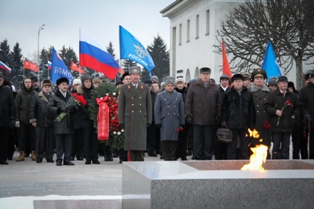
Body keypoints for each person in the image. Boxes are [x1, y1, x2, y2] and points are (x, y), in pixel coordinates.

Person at [185, 67, 222, 160]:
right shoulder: (194, 86)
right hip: (197, 118)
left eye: (207, 74)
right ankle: (197, 155)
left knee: (208, 139)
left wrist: (218, 116)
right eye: (203, 74)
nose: (205, 76)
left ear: (209, 75)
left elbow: (218, 103)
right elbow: (188, 101)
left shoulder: (215, 87)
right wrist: (188, 114)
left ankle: (207, 155)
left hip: (210, 118)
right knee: (197, 139)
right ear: (200, 75)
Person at [118, 66, 152, 161]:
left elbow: (148, 105)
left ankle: (140, 162)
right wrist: (121, 120)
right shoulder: (124, 88)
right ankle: (132, 163)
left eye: (137, 75)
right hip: (129, 119)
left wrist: (149, 119)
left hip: (141, 119)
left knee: (140, 143)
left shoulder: (144, 88)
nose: (135, 77)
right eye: (133, 75)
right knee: (131, 144)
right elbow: (121, 106)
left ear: (139, 76)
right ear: (130, 76)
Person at [221, 74, 255, 160]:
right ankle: (231, 162)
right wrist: (224, 121)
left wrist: (251, 123)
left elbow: (251, 110)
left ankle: (243, 161)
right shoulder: (228, 94)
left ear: (243, 83)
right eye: (236, 81)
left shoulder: (248, 94)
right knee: (231, 145)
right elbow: (224, 109)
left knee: (244, 145)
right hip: (232, 123)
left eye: (240, 81)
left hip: (244, 123)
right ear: (232, 83)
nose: (238, 83)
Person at [265, 76, 299, 159]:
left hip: (288, 125)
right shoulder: (272, 95)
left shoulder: (292, 95)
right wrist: (275, 111)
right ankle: (276, 164)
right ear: (278, 85)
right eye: (283, 83)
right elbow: (266, 106)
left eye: (286, 83)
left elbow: (298, 107)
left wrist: (294, 115)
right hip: (276, 125)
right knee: (276, 146)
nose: (285, 85)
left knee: (286, 146)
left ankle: (285, 164)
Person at [155, 76, 185, 161]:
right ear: (165, 86)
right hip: (164, 121)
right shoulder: (160, 96)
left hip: (175, 120)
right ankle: (166, 156)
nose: (170, 87)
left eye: (172, 85)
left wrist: (182, 122)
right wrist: (158, 121)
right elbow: (157, 110)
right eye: (168, 85)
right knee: (165, 140)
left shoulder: (179, 95)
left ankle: (172, 157)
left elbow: (181, 109)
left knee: (174, 140)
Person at [48, 77, 76, 166]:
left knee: (68, 142)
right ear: (59, 86)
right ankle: (59, 159)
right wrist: (59, 109)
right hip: (59, 122)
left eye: (66, 84)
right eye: (63, 84)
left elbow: (76, 107)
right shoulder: (54, 96)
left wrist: (73, 108)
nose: (65, 86)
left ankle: (67, 159)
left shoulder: (71, 96)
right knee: (59, 142)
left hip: (69, 122)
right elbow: (49, 107)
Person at [29, 80, 55, 163]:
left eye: (48, 87)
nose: (47, 88)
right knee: (40, 141)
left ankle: (49, 156)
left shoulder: (53, 97)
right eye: (45, 87)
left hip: (51, 123)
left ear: (51, 88)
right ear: (42, 87)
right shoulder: (37, 96)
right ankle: (39, 156)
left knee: (50, 141)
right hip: (40, 122)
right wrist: (33, 120)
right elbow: (32, 109)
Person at [249, 69, 271, 157]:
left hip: (265, 123)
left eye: (261, 78)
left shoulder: (270, 92)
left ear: (264, 80)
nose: (259, 80)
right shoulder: (248, 92)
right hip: (253, 123)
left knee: (265, 144)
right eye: (257, 78)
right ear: (253, 80)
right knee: (253, 144)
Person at [79, 75, 101, 164]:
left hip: (95, 118)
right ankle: (88, 157)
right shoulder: (81, 93)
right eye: (86, 82)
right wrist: (88, 113)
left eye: (89, 82)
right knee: (86, 138)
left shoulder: (95, 92)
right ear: (83, 83)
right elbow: (80, 106)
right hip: (85, 118)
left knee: (95, 139)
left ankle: (95, 157)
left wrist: (94, 114)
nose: (88, 83)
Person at [15, 77, 37, 162]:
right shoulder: (19, 94)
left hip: (32, 120)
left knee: (33, 137)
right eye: (26, 82)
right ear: (23, 83)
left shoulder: (35, 93)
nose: (28, 84)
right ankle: (22, 154)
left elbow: (36, 107)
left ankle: (34, 154)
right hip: (22, 119)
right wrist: (17, 119)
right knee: (22, 138)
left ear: (31, 83)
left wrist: (35, 119)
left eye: (29, 82)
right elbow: (16, 107)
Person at [0, 74, 16, 165]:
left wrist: (12, 118)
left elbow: (12, 105)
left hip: (5, 120)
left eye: (1, 79)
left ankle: (2, 158)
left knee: (4, 141)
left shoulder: (7, 91)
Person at [215, 74, 230, 160]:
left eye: (226, 80)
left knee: (227, 139)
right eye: (223, 80)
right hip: (218, 118)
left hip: (228, 119)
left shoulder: (231, 91)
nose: (224, 82)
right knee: (218, 139)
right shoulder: (217, 91)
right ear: (220, 81)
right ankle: (218, 157)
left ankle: (226, 156)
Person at [299, 71, 314, 159]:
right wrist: (306, 114)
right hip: (311, 120)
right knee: (312, 143)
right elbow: (301, 105)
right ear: (311, 79)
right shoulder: (304, 91)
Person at [288, 81, 304, 159]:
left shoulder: (297, 97)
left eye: (291, 88)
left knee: (296, 142)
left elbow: (299, 108)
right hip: (286, 123)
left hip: (296, 122)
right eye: (288, 88)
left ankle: (295, 157)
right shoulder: (285, 97)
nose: (290, 90)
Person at [174, 78, 188, 161]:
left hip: (185, 117)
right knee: (176, 137)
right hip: (175, 117)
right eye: (178, 83)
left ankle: (183, 154)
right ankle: (176, 154)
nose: (180, 85)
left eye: (181, 83)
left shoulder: (187, 92)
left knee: (184, 138)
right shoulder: (174, 92)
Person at [70, 78, 84, 161]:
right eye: (76, 85)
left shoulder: (83, 94)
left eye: (79, 85)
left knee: (80, 139)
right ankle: (72, 154)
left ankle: (80, 154)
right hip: (72, 119)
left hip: (81, 119)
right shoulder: (70, 94)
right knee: (72, 139)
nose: (77, 86)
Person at [144, 80, 157, 157]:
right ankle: (142, 150)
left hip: (152, 118)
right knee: (143, 136)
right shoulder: (141, 94)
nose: (148, 87)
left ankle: (151, 150)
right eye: (147, 86)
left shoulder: (155, 95)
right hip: (143, 118)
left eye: (149, 86)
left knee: (152, 136)